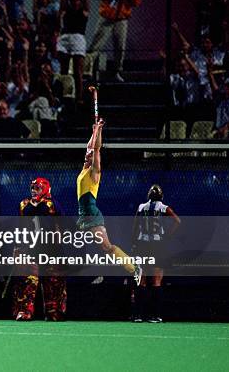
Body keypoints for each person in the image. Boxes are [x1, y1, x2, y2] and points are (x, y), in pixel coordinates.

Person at [77, 119, 142, 284]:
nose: (88, 154)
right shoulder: (85, 168)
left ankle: (134, 268)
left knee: (107, 247)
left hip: (91, 215)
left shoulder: (94, 173)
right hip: (84, 216)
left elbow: (96, 148)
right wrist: (94, 131)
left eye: (91, 156)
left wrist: (99, 131)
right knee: (86, 247)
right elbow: (90, 147)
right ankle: (99, 273)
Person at [13, 177, 67, 321]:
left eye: (37, 188)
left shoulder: (52, 204)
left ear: (45, 188)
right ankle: (25, 311)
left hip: (51, 249)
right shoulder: (24, 205)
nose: (33, 191)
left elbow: (61, 225)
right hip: (30, 249)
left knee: (54, 282)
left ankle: (53, 311)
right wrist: (17, 247)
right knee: (27, 281)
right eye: (32, 188)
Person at [131, 185, 181, 323]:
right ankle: (156, 315)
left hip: (142, 244)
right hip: (157, 245)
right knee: (157, 281)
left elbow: (135, 226)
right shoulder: (163, 208)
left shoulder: (142, 207)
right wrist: (167, 236)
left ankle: (138, 315)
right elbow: (177, 221)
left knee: (142, 280)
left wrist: (134, 243)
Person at [88, 0, 141, 82]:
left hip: (121, 18)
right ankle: (87, 70)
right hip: (107, 17)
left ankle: (116, 72)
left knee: (120, 47)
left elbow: (136, 2)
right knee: (96, 46)